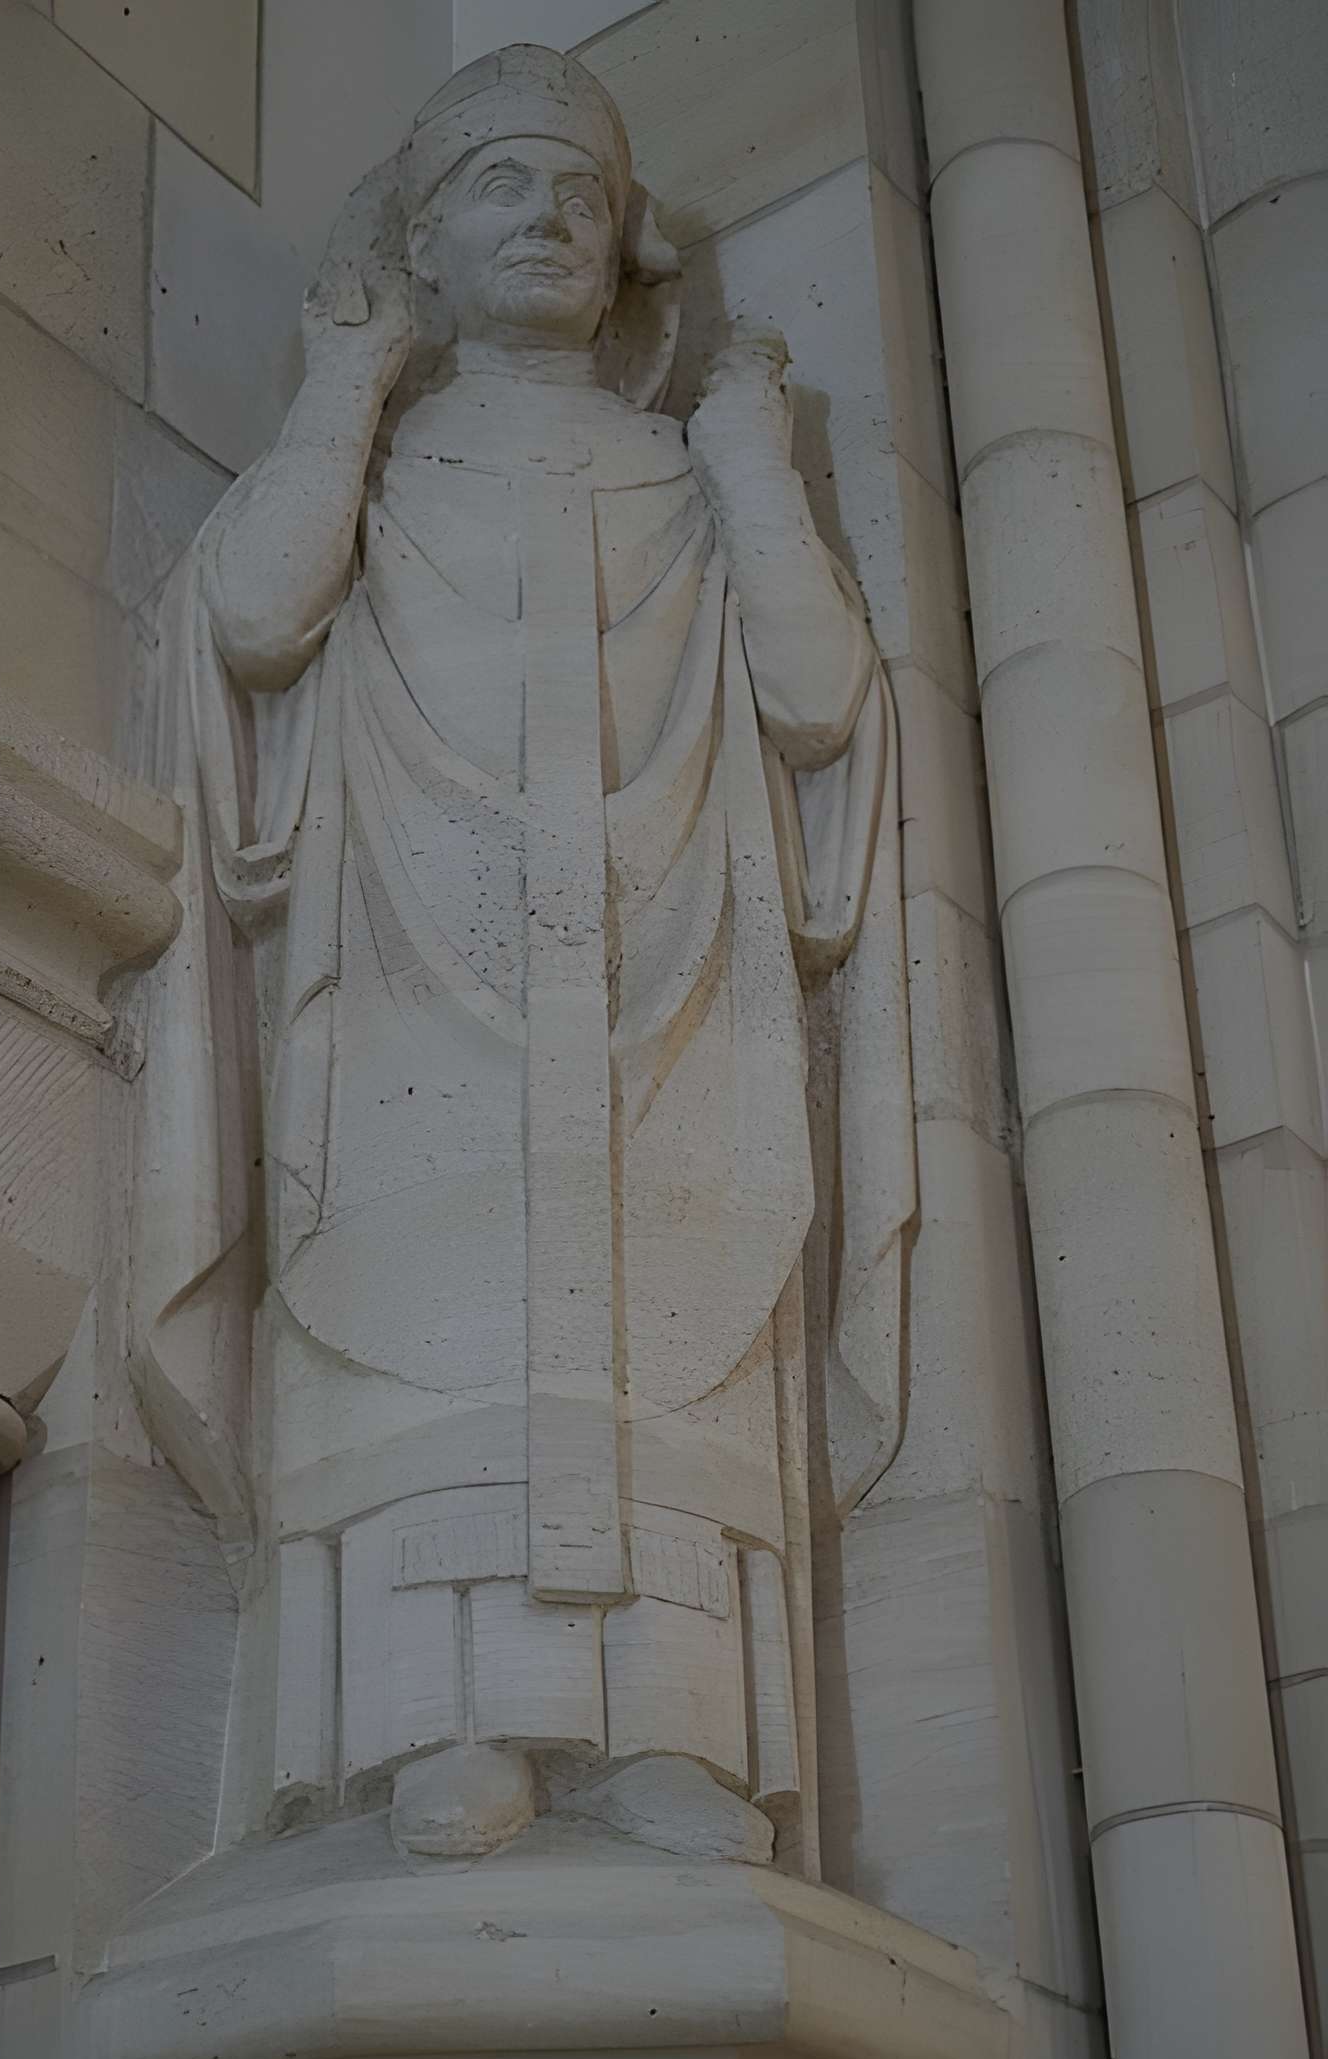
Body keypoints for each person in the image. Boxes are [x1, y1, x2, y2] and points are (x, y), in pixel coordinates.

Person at [132, 46, 913, 1862]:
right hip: (411, 987)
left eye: (583, 193)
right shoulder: (376, 470)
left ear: (626, 245)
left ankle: (668, 1743)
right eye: (502, 186)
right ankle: (439, 1730)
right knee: (430, 1338)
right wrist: (342, 390)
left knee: (665, 1338)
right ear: (423, 237)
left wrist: (750, 467)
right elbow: (250, 616)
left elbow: (817, 702)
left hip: (668, 997)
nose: (550, 219)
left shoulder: (689, 476)